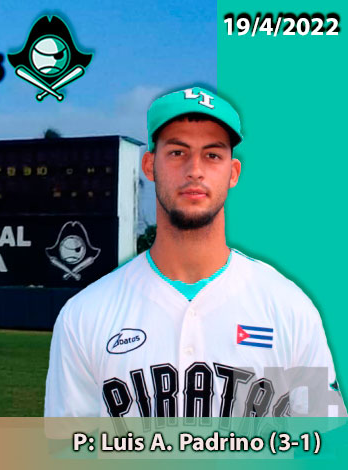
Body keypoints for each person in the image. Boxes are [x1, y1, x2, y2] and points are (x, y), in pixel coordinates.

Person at [44, 87, 344, 418]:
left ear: (233, 173)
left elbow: (324, 448)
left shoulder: (289, 307)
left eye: (212, 155)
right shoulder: (85, 315)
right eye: (177, 152)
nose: (195, 170)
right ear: (149, 165)